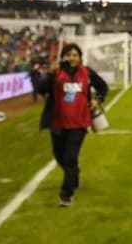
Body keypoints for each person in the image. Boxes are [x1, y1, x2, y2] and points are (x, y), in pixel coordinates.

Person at [36, 43, 108, 207]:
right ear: (63, 57)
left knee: (70, 157)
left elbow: (103, 87)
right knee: (59, 156)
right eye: (68, 55)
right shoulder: (56, 73)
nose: (71, 58)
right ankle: (74, 175)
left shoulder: (87, 72)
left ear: (80, 57)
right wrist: (50, 74)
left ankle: (66, 195)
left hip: (79, 123)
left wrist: (97, 100)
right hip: (57, 123)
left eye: (75, 55)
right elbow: (40, 89)